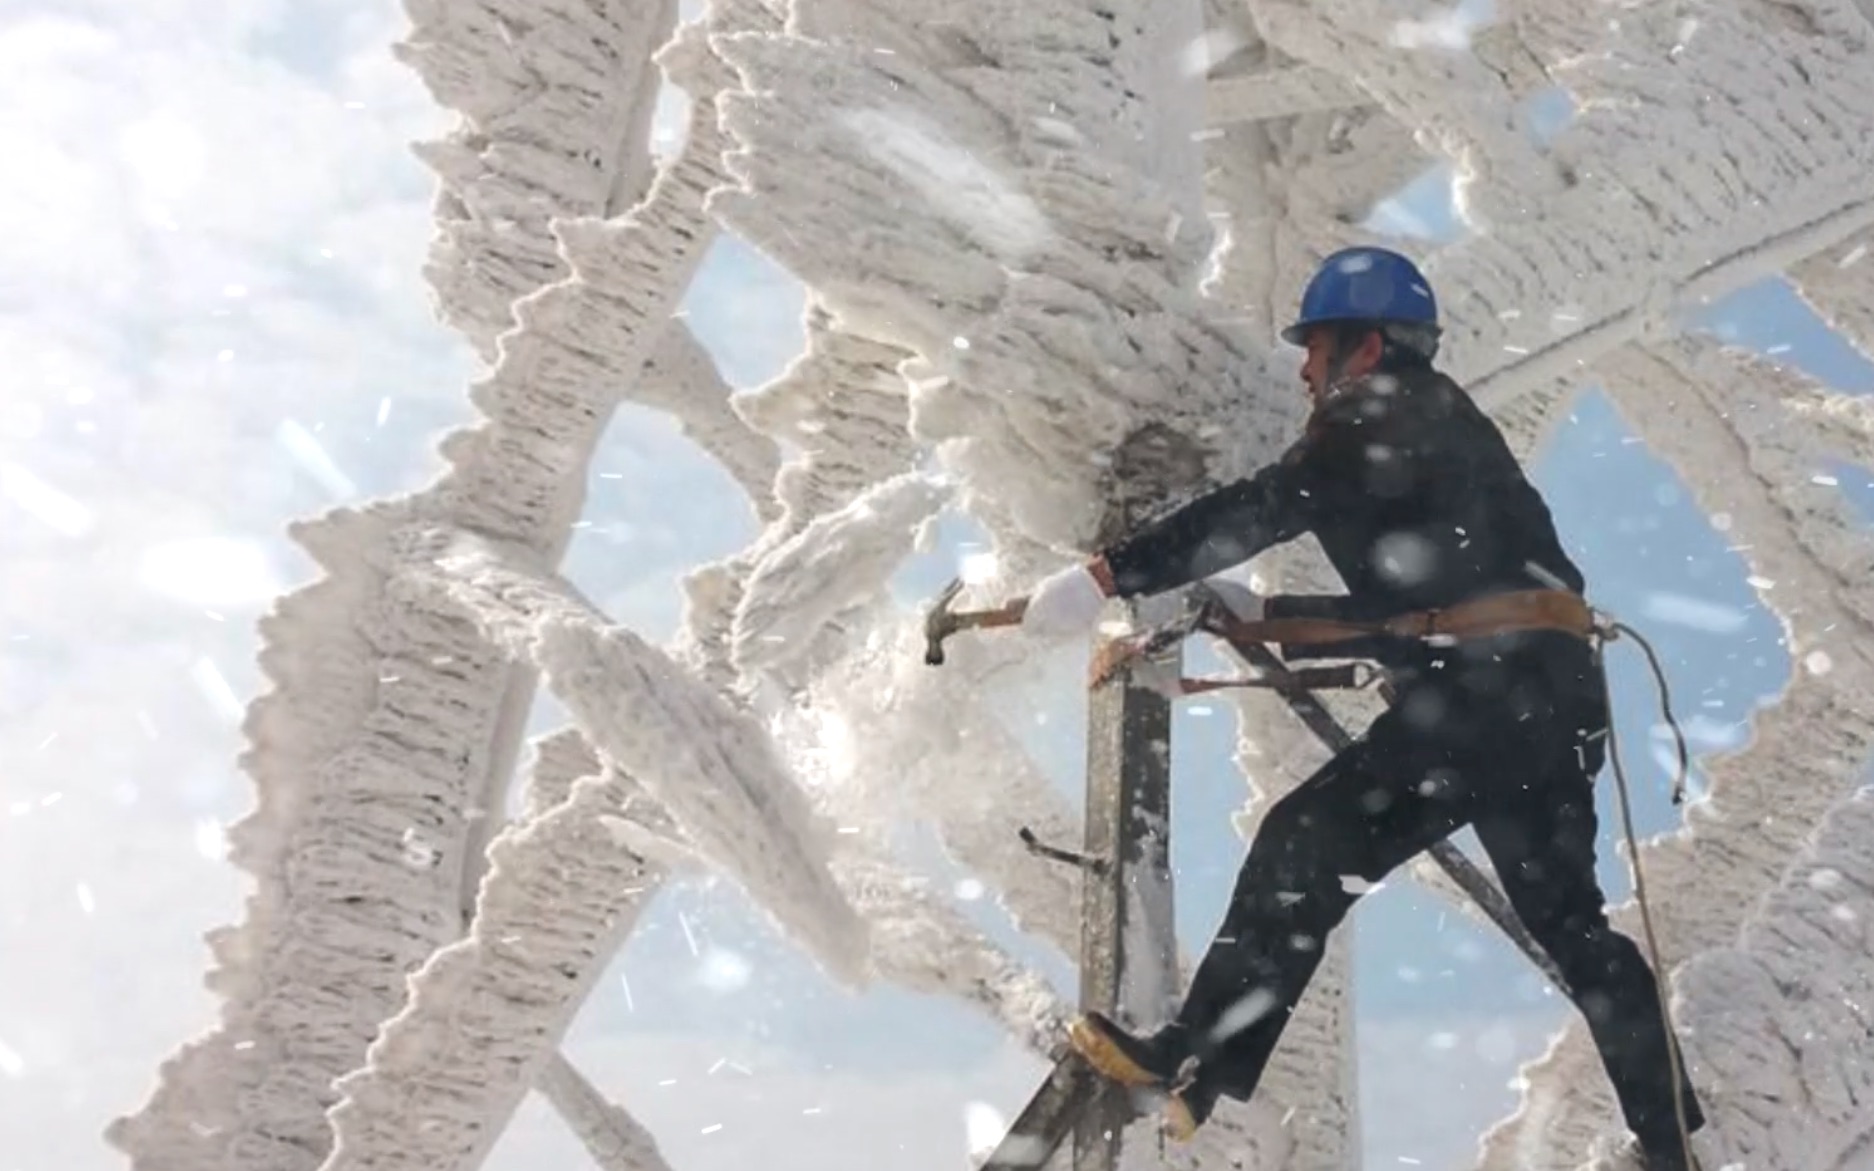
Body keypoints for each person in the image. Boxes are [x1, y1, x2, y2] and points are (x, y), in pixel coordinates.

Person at [1018, 246, 1710, 1169]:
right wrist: (1272, 617)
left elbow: (1266, 504)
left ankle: (1196, 1055)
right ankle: (1672, 1144)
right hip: (1540, 698)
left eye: (1317, 348)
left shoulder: (1375, 412)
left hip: (1477, 701)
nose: (1305, 369)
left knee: (1303, 844)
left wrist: (1106, 576)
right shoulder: (1437, 431)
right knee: (1574, 928)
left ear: (1367, 347)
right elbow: (1432, 611)